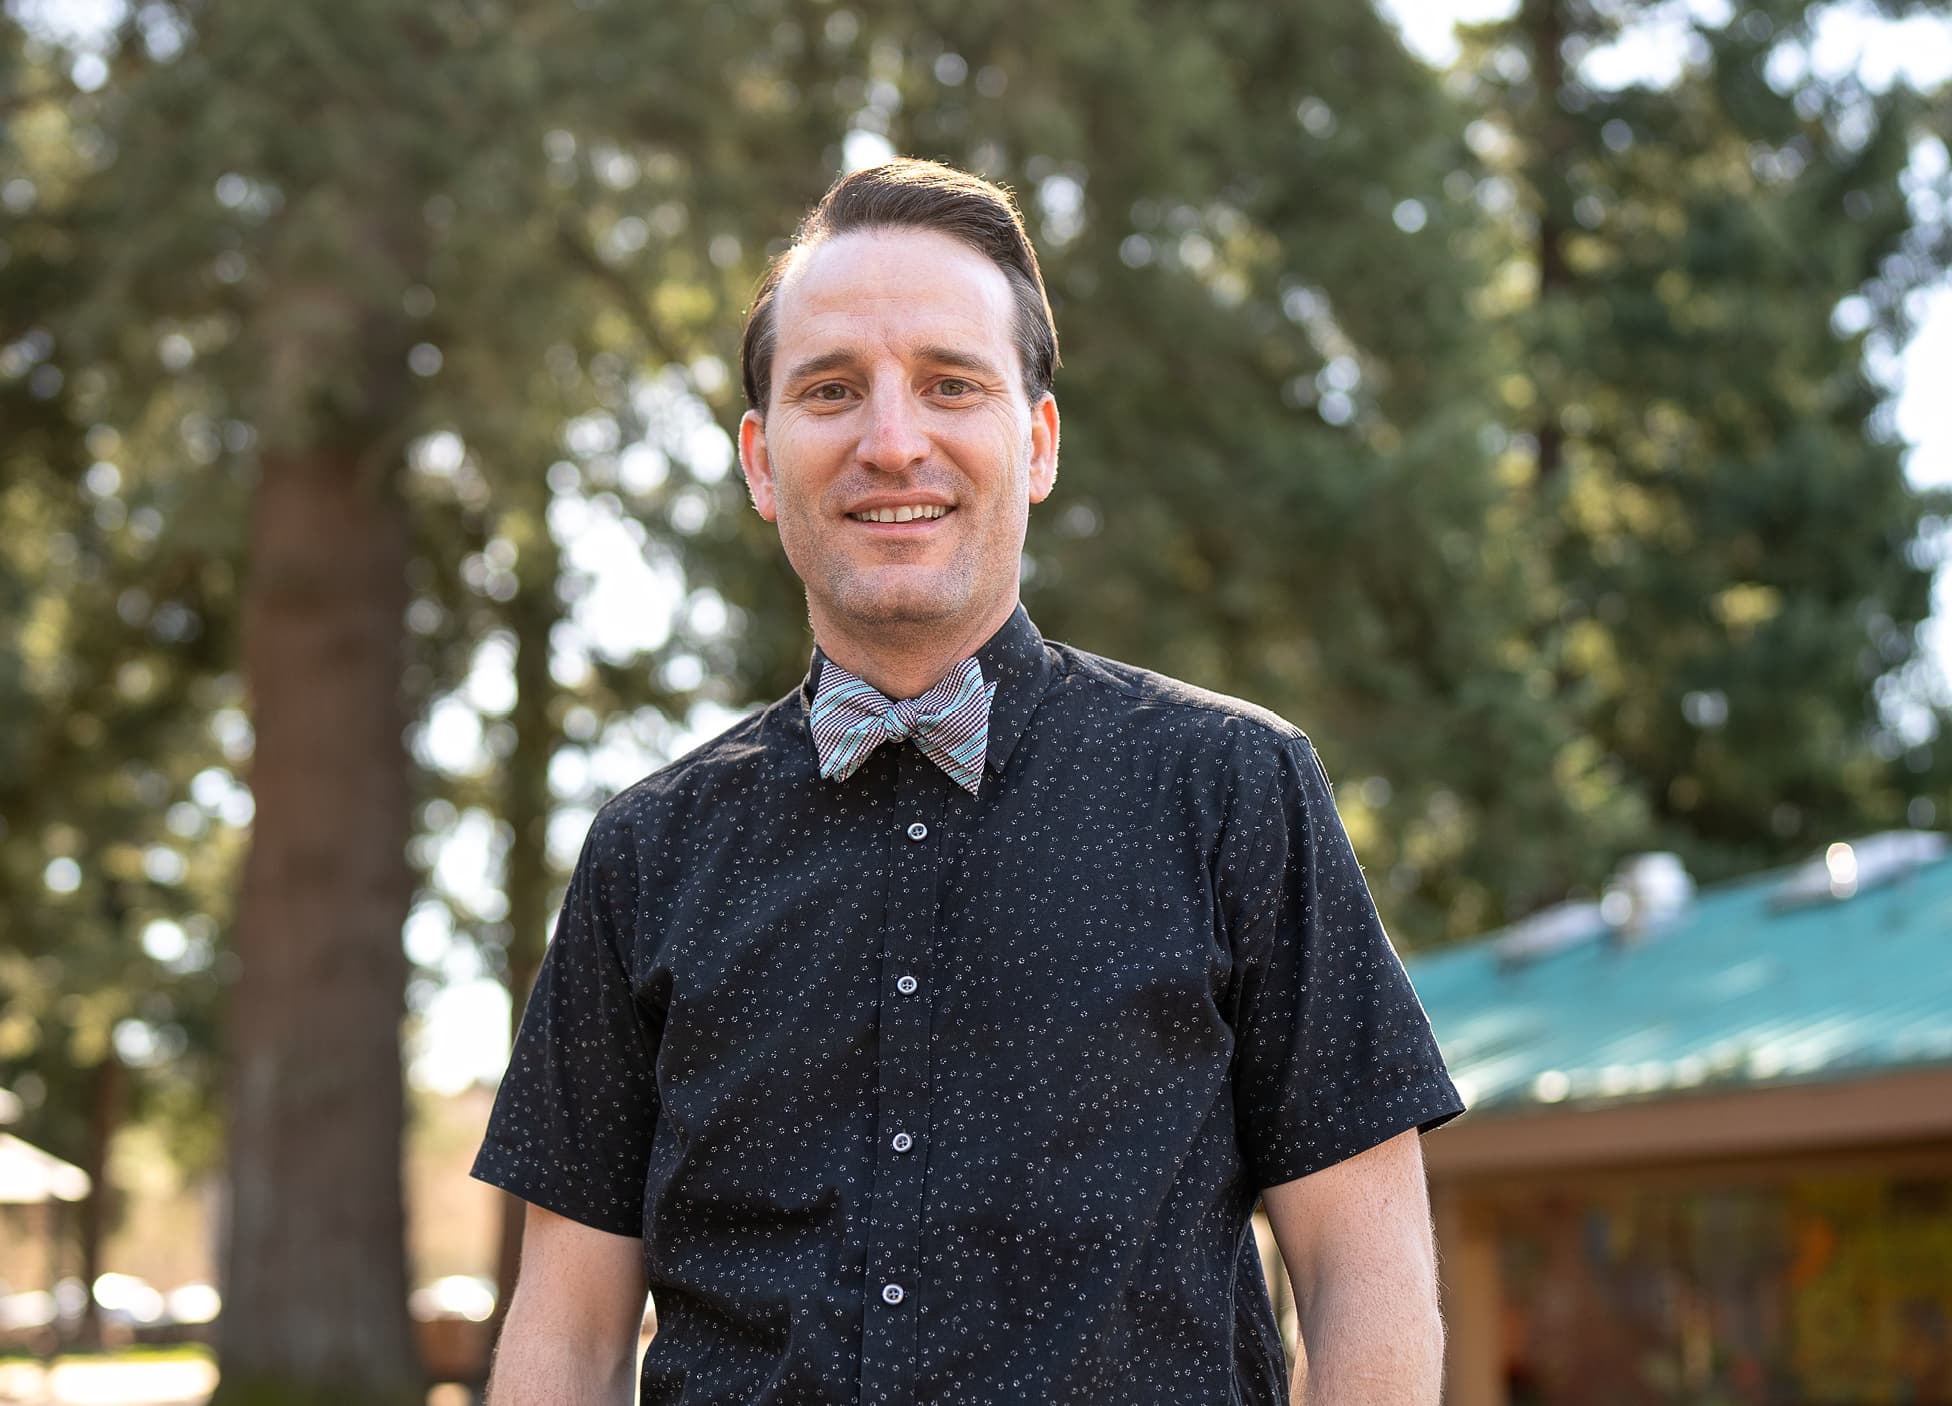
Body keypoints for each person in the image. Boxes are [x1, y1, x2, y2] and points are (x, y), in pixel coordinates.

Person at [472, 157, 1465, 1405]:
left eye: (950, 384)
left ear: (1036, 440)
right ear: (762, 460)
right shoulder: (646, 851)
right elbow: (562, 1335)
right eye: (832, 391)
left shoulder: (1235, 789)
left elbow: (1364, 1267)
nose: (894, 441)